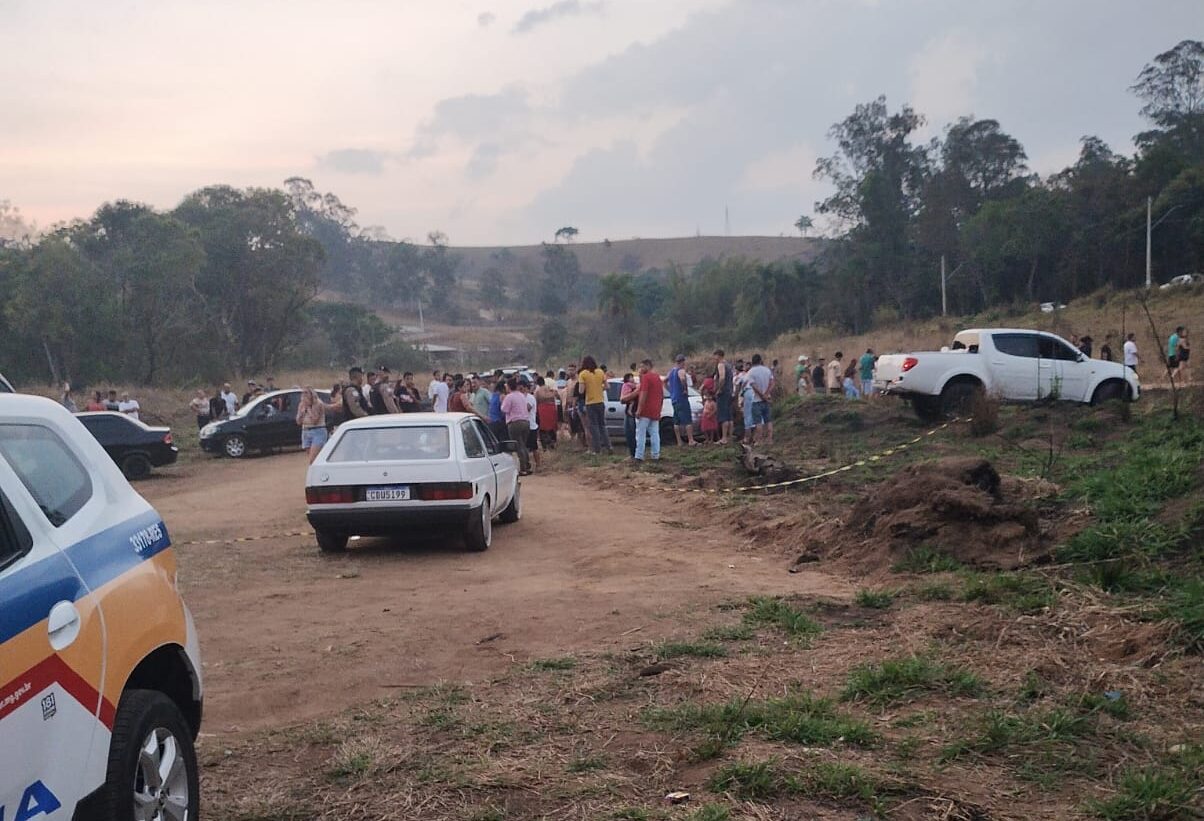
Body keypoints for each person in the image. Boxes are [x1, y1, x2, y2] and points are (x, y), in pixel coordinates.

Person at [578, 355, 611, 455]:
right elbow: (607, 387)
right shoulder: (600, 372)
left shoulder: (583, 374)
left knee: (594, 427)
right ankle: (609, 446)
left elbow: (581, 391)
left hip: (590, 403)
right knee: (602, 425)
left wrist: (588, 388)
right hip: (600, 402)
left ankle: (597, 450)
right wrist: (599, 388)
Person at [634, 359, 664, 462]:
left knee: (640, 433)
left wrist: (639, 409)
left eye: (642, 366)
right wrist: (659, 408)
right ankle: (655, 455)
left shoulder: (646, 378)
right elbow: (661, 395)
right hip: (655, 410)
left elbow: (643, 394)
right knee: (655, 433)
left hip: (645, 410)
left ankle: (639, 455)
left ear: (648, 366)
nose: (641, 369)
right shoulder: (658, 378)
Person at [501, 378, 531, 475]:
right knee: (523, 445)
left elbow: (504, 409)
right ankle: (527, 465)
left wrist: (502, 401)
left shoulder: (509, 397)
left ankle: (523, 468)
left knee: (518, 445)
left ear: (509, 386)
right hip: (526, 421)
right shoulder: (521, 395)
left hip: (515, 423)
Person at [296, 386, 331, 463]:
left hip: (318, 431)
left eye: (306, 393)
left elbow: (315, 420)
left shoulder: (318, 403)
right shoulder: (301, 404)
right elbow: (298, 421)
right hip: (306, 431)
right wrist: (302, 412)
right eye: (303, 393)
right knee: (316, 458)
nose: (304, 395)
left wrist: (308, 408)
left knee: (313, 459)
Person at [745, 354, 775, 445]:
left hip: (757, 400)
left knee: (758, 422)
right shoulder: (767, 370)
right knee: (768, 420)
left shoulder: (751, 372)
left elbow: (754, 386)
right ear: (760, 360)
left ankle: (759, 440)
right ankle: (770, 439)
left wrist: (762, 395)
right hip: (767, 399)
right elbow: (772, 382)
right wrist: (767, 393)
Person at [667, 354, 696, 446]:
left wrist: (670, 391)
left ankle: (679, 441)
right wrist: (685, 389)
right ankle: (691, 440)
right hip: (681, 398)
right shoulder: (681, 371)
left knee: (676, 421)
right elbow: (683, 379)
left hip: (674, 399)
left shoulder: (671, 371)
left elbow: (664, 381)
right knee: (687, 419)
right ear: (683, 362)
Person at [712, 349, 734, 444]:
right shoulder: (729, 365)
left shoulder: (721, 365)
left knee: (723, 416)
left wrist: (719, 389)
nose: (714, 358)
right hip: (729, 391)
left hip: (723, 392)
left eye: (715, 356)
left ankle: (724, 438)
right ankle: (729, 437)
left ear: (719, 355)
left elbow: (722, 377)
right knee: (729, 416)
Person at [535, 377, 559, 450]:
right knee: (552, 425)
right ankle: (553, 441)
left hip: (542, 409)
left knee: (543, 427)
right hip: (551, 408)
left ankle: (545, 444)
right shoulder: (550, 390)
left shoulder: (537, 391)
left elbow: (536, 401)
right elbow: (557, 397)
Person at [619, 372, 639, 457]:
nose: (632, 379)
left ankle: (635, 454)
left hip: (633, 412)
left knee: (632, 433)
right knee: (629, 433)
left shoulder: (637, 386)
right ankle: (633, 453)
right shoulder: (627, 385)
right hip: (629, 411)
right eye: (631, 377)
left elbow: (623, 399)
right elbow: (623, 399)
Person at [522, 380, 540, 471]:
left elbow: (527, 408)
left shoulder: (530, 397)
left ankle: (538, 465)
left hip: (531, 425)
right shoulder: (521, 397)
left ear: (525, 388)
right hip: (524, 425)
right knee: (524, 447)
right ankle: (526, 465)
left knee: (534, 447)